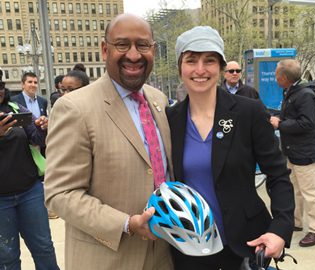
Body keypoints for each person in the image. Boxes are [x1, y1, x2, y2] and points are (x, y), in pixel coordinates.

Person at [44, 14, 173, 270]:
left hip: (163, 256)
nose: (134, 55)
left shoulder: (159, 101)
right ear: (105, 49)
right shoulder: (74, 108)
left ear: (153, 50)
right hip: (107, 260)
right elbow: (60, 194)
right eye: (123, 45)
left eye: (143, 45)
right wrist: (126, 224)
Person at [166, 26, 294, 270]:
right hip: (188, 248)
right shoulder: (169, 119)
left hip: (245, 245)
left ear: (221, 67)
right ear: (180, 68)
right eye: (191, 60)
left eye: (209, 61)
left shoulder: (250, 111)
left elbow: (278, 174)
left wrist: (280, 228)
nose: (200, 69)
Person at [0, 81, 60, 269]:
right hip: (1, 201)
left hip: (30, 192)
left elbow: (36, 138)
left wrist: (42, 128)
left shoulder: (14, 108)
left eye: (0, 86)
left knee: (44, 248)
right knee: (7, 256)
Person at [270, 59, 315, 247]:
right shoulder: (292, 92)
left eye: (277, 74)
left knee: (311, 193)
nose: (275, 78)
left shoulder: (305, 95)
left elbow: (308, 123)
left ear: (284, 78)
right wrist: (278, 116)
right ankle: (297, 222)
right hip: (293, 151)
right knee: (296, 191)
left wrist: (280, 124)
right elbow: (294, 116)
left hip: (306, 152)